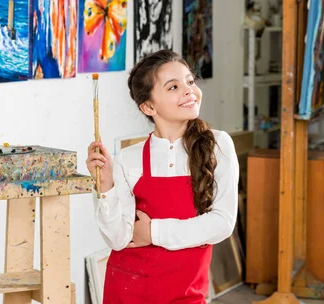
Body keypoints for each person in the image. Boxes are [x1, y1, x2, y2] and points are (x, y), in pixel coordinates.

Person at [86, 49, 239, 303]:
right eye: (173, 87)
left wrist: (153, 232)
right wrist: (105, 184)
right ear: (148, 106)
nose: (189, 90)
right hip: (128, 289)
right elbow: (117, 237)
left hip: (186, 292)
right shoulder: (128, 159)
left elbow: (222, 223)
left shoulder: (218, 146)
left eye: (190, 82)